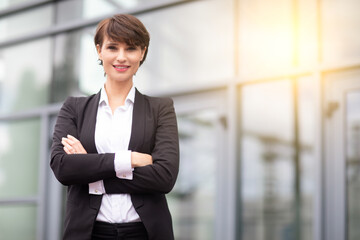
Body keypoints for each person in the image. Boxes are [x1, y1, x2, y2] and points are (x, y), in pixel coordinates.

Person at [50, 14, 179, 240]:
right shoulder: (74, 109)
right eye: (112, 47)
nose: (121, 57)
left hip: (145, 233)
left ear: (142, 53)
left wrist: (90, 171)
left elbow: (164, 177)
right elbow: (63, 168)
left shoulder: (161, 109)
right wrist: (128, 160)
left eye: (130, 48)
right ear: (99, 50)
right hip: (88, 233)